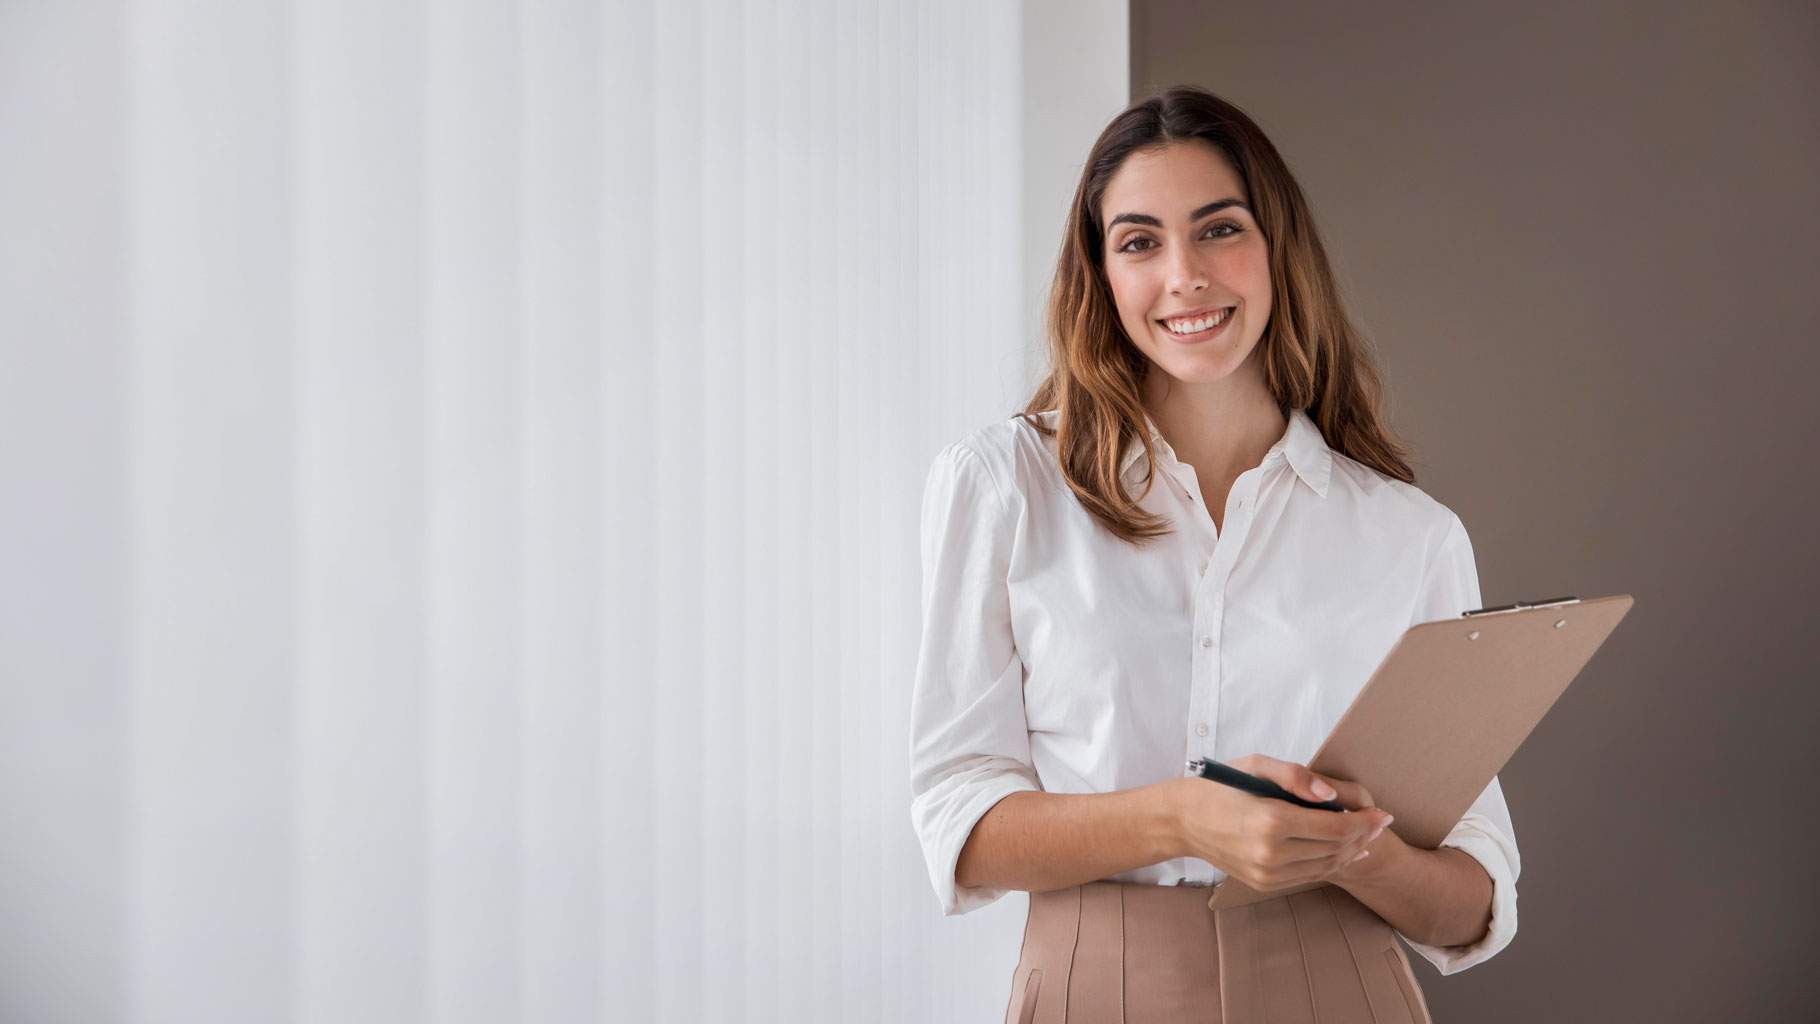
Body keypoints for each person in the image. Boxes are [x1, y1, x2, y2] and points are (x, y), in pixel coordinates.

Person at [907, 85, 1520, 1023]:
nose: (1185, 276)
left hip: (1343, 984)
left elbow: (1472, 900)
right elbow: (960, 822)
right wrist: (1184, 816)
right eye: (1141, 242)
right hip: (1091, 984)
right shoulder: (1005, 485)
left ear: (1278, 249)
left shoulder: (1409, 534)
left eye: (1219, 229)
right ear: (1101, 275)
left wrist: (1353, 846)